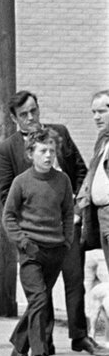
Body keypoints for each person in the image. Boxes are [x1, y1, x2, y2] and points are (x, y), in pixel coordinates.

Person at [0, 90, 102, 356]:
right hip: (34, 232)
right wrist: (23, 230)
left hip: (68, 222)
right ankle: (44, 340)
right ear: (14, 118)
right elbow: (6, 194)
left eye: (34, 110)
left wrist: (77, 205)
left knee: (75, 280)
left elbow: (79, 169)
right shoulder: (9, 148)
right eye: (23, 115)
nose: (31, 118)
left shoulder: (59, 133)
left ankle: (80, 336)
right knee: (43, 288)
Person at [3, 130, 76, 356]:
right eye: (42, 151)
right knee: (40, 301)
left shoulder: (62, 180)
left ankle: (19, 347)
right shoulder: (21, 181)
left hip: (55, 249)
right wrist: (23, 242)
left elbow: (68, 212)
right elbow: (9, 217)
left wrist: (67, 240)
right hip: (31, 251)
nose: (48, 156)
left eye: (52, 151)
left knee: (39, 302)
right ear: (30, 154)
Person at [80, 89, 109, 259]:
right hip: (100, 217)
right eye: (93, 112)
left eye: (101, 112)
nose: (96, 117)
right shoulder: (102, 141)